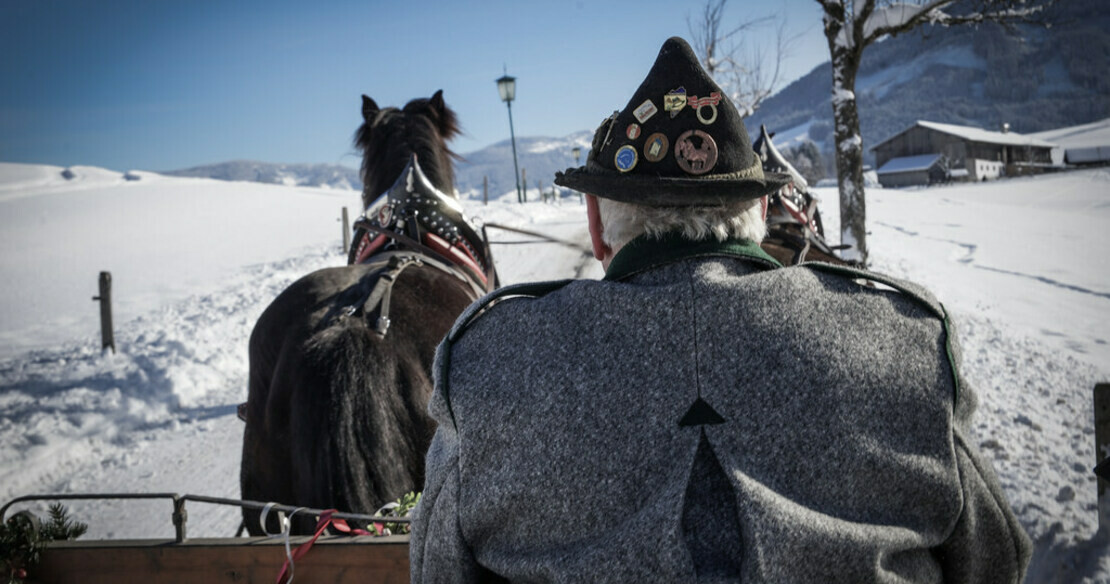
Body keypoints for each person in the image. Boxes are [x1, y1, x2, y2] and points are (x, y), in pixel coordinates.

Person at [410, 37, 1030, 583]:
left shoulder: (487, 370)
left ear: (598, 229)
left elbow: (436, 569)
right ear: (760, 218)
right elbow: (996, 557)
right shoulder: (905, 343)